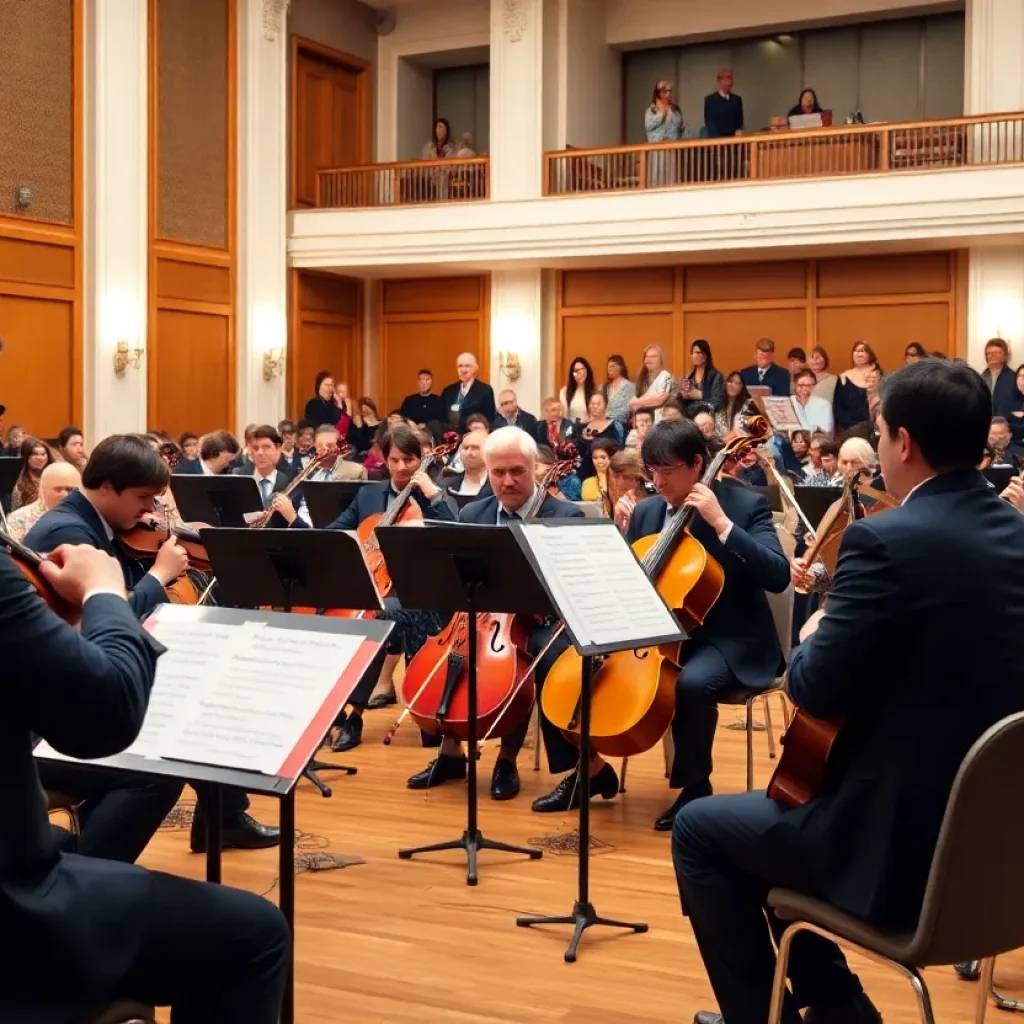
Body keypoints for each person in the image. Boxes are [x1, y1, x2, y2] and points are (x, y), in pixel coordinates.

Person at [672, 358, 1024, 1024]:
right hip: (997, 852)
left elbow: (811, 685)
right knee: (763, 826)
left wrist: (819, 628)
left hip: (898, 851)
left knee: (701, 830)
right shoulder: (1017, 533)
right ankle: (838, 1008)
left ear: (903, 443)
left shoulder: (883, 542)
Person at [0, 538, 289, 1021]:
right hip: (15, 908)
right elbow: (104, 716)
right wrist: (104, 593)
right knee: (254, 934)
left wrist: (52, 642)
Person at [25, 435, 280, 854]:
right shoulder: (70, 532)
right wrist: (158, 576)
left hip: (72, 691)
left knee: (193, 692)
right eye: (143, 498)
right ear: (106, 487)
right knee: (156, 766)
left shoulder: (102, 523)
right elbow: (106, 619)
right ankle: (91, 874)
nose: (150, 511)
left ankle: (222, 815)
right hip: (43, 725)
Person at [620, 420, 789, 832]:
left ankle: (695, 787)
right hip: (667, 636)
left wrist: (721, 524)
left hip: (731, 637)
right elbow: (630, 583)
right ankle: (589, 772)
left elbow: (778, 575)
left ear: (698, 464)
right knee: (589, 665)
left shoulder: (745, 505)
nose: (657, 482)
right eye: (651, 472)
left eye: (667, 470)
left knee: (689, 684)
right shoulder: (645, 511)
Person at [406, 426, 585, 801]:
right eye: (498, 472)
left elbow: (576, 588)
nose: (507, 481)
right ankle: (451, 750)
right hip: (483, 618)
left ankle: (507, 758)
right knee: (456, 645)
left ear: (535, 467)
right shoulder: (474, 512)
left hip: (545, 621)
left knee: (534, 656)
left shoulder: (566, 514)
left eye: (517, 471)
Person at [287, 425, 456, 747]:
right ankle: (336, 709)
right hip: (378, 584)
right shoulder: (368, 494)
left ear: (421, 460)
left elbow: (457, 531)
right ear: (384, 459)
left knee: (375, 619)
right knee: (334, 614)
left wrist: (434, 495)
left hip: (421, 590)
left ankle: (355, 712)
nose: (402, 467)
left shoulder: (433, 493)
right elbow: (335, 534)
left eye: (409, 459)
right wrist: (296, 521)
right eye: (395, 459)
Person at [5, 460, 80, 541]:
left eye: (70, 490)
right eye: (58, 489)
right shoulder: (19, 519)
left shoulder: (87, 516)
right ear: (41, 491)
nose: (65, 495)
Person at [440, 352, 496, 432]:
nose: (463, 370)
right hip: (449, 436)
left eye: (467, 366)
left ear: (475, 368)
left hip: (473, 435)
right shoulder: (448, 391)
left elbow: (490, 419)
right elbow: (442, 417)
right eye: (460, 366)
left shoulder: (485, 390)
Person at [678, 340, 725, 416]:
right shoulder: (689, 377)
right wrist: (684, 396)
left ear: (706, 355)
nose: (695, 355)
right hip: (691, 419)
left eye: (699, 353)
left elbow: (718, 403)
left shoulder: (716, 376)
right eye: (694, 353)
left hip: (709, 418)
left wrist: (700, 395)